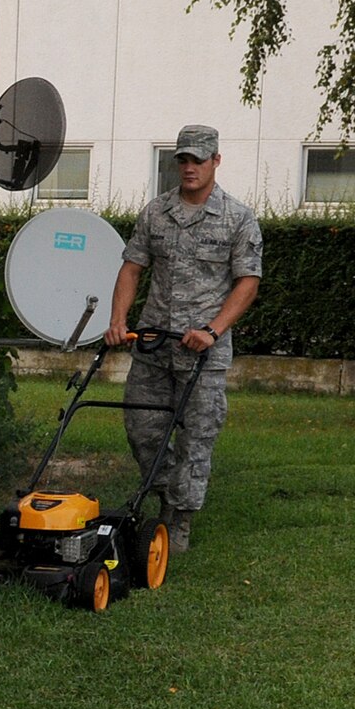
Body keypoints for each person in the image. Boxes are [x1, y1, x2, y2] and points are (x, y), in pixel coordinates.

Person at [103, 124, 262, 552]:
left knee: (197, 437)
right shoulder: (156, 213)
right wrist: (119, 320)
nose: (190, 168)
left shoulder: (237, 217)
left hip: (203, 352)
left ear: (216, 161)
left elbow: (247, 282)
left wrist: (213, 330)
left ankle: (180, 520)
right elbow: (132, 268)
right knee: (143, 430)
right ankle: (165, 496)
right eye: (184, 160)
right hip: (154, 343)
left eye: (198, 160)